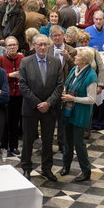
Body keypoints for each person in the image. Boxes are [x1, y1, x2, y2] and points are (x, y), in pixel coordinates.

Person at [19, 34, 63, 182]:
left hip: (49, 109)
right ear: (34, 45)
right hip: (31, 108)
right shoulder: (25, 62)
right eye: (40, 44)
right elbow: (23, 86)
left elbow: (59, 86)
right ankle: (26, 168)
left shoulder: (56, 62)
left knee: (48, 140)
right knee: (28, 140)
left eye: (45, 44)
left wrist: (48, 103)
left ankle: (47, 169)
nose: (43, 47)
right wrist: (38, 103)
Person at [60, 47, 98, 182]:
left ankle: (86, 170)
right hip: (68, 110)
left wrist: (73, 99)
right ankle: (66, 166)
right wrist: (65, 92)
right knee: (67, 141)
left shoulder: (91, 76)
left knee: (79, 143)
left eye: (78, 56)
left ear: (85, 60)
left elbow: (92, 99)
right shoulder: (73, 70)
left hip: (81, 113)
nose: (75, 57)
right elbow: (67, 84)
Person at [48, 25, 76, 151]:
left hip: (66, 87)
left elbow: (76, 67)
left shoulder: (72, 50)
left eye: (59, 35)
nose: (58, 38)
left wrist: (68, 58)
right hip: (49, 87)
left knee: (63, 117)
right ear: (51, 38)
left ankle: (62, 142)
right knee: (49, 116)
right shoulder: (47, 49)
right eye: (55, 36)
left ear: (64, 36)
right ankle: (47, 142)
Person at [0, 36, 24, 156]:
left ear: (17, 46)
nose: (12, 47)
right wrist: (10, 75)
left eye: (14, 45)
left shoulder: (23, 58)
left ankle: (13, 146)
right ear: (5, 47)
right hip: (5, 95)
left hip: (19, 95)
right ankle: (3, 145)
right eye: (9, 45)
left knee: (15, 122)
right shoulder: (0, 60)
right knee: (4, 121)